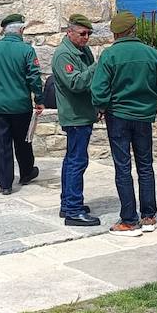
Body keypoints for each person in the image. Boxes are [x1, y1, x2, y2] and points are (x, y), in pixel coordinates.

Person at [91, 10, 157, 237]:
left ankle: (128, 220)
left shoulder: (110, 55)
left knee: (123, 167)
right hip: (143, 116)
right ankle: (148, 216)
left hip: (118, 116)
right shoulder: (151, 53)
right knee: (145, 165)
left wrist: (102, 106)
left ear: (116, 33)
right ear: (134, 29)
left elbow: (99, 90)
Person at [0, 13, 44, 195]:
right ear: (21, 30)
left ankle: (5, 184)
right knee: (23, 141)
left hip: (1, 104)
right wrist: (39, 99)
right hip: (21, 104)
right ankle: (27, 172)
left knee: (3, 144)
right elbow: (34, 77)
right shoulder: (27, 50)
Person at [50, 13, 100, 227]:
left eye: (88, 33)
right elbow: (77, 83)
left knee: (73, 160)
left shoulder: (82, 51)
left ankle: (69, 203)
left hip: (84, 113)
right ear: (69, 32)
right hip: (75, 115)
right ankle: (73, 209)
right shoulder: (64, 55)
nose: (86, 37)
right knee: (76, 162)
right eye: (82, 33)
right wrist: (97, 66)